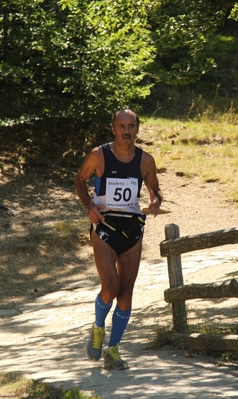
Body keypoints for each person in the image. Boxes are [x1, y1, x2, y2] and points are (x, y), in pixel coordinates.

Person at [74, 109, 162, 370]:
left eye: (131, 126)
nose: (126, 130)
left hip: (132, 228)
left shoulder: (145, 161)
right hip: (104, 226)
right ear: (113, 128)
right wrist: (89, 204)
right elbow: (79, 179)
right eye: (121, 126)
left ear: (137, 129)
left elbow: (154, 189)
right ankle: (98, 328)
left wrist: (156, 200)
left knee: (126, 294)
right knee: (110, 288)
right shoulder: (99, 155)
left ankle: (113, 350)